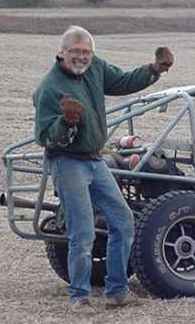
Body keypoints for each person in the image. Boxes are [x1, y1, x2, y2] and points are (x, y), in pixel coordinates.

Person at [33, 25, 174, 313]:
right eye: (75, 52)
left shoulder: (95, 68)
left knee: (123, 221)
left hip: (95, 159)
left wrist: (153, 69)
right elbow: (45, 136)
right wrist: (67, 123)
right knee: (83, 232)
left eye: (86, 52)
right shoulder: (49, 88)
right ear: (61, 53)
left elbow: (122, 81)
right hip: (67, 161)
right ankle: (79, 297)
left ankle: (117, 291)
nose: (81, 57)